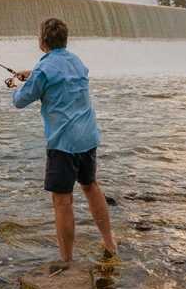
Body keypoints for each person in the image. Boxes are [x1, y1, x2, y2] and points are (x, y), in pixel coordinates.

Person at [7, 18, 117, 262]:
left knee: (62, 201)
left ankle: (67, 262)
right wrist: (33, 75)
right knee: (90, 186)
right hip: (87, 137)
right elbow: (55, 76)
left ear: (42, 41)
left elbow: (20, 100)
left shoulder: (44, 70)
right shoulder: (76, 62)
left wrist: (16, 85)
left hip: (63, 142)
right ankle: (110, 243)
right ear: (65, 40)